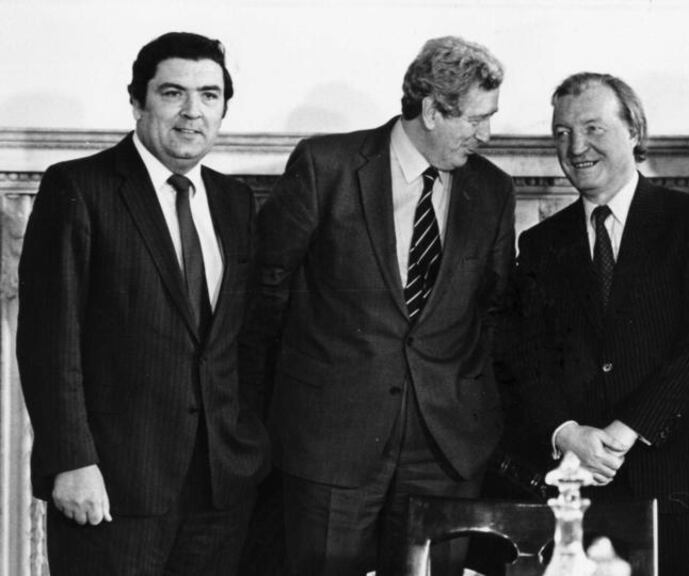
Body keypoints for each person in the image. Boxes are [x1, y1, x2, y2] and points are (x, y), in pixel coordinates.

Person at [238, 36, 515, 575]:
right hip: (330, 446)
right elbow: (265, 295)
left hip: (446, 452)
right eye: (477, 119)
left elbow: (495, 310)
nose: (486, 134)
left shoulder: (492, 189)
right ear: (432, 110)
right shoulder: (327, 165)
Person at [16, 32, 269, 575]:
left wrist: (249, 452)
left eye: (209, 95)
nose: (191, 113)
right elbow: (47, 342)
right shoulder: (79, 188)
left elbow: (241, 341)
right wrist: (72, 462)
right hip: (112, 489)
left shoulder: (235, 201)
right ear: (137, 101)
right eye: (173, 93)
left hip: (219, 492)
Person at [507, 72, 689, 575]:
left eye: (592, 128)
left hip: (678, 479)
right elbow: (527, 358)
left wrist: (626, 431)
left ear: (634, 130)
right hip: (577, 480)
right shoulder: (542, 244)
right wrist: (566, 434)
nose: (576, 146)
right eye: (562, 133)